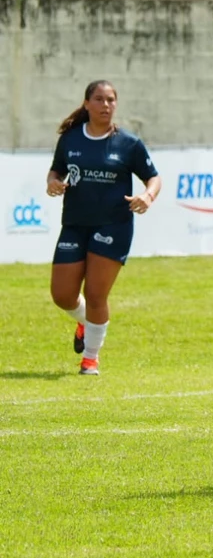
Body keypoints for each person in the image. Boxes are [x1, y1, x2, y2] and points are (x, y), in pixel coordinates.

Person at [46, 80, 161, 376]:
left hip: (114, 225)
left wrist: (147, 196)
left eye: (111, 100)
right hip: (74, 224)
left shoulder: (129, 144)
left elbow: (153, 177)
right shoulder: (71, 139)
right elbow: (56, 170)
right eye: (99, 99)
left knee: (96, 295)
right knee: (62, 295)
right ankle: (86, 322)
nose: (105, 105)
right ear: (87, 104)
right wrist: (53, 183)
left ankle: (91, 358)